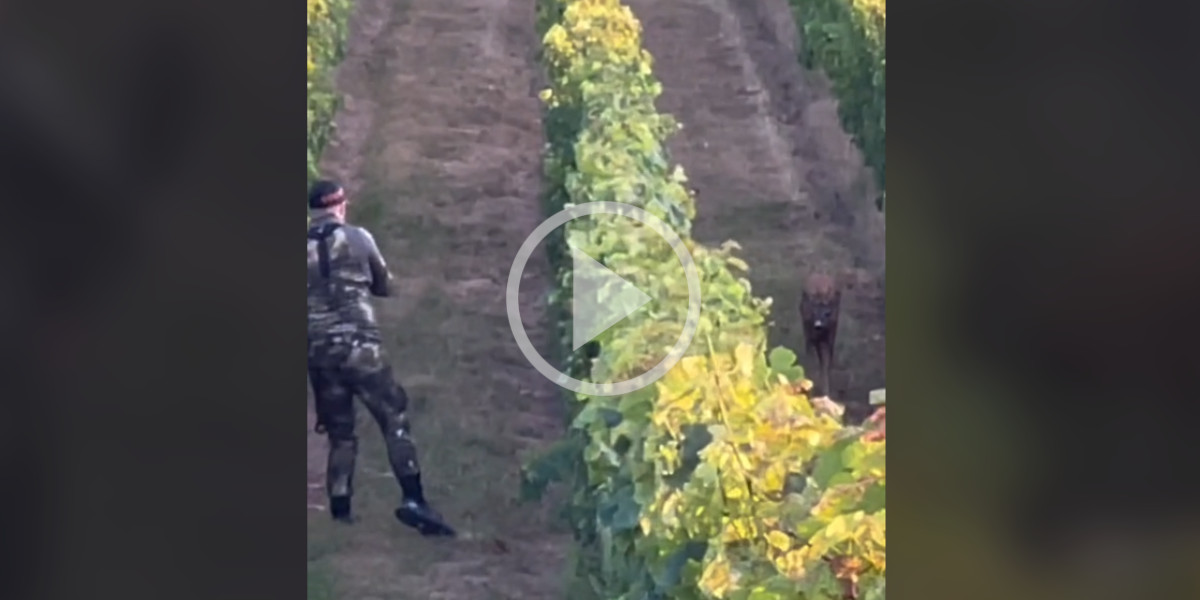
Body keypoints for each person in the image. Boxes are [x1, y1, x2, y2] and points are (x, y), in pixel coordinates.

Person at [306, 179, 454, 536]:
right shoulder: (358, 238)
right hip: (361, 346)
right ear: (341, 205)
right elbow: (383, 285)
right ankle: (414, 499)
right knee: (394, 419)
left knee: (341, 433)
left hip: (319, 351)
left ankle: (341, 513)